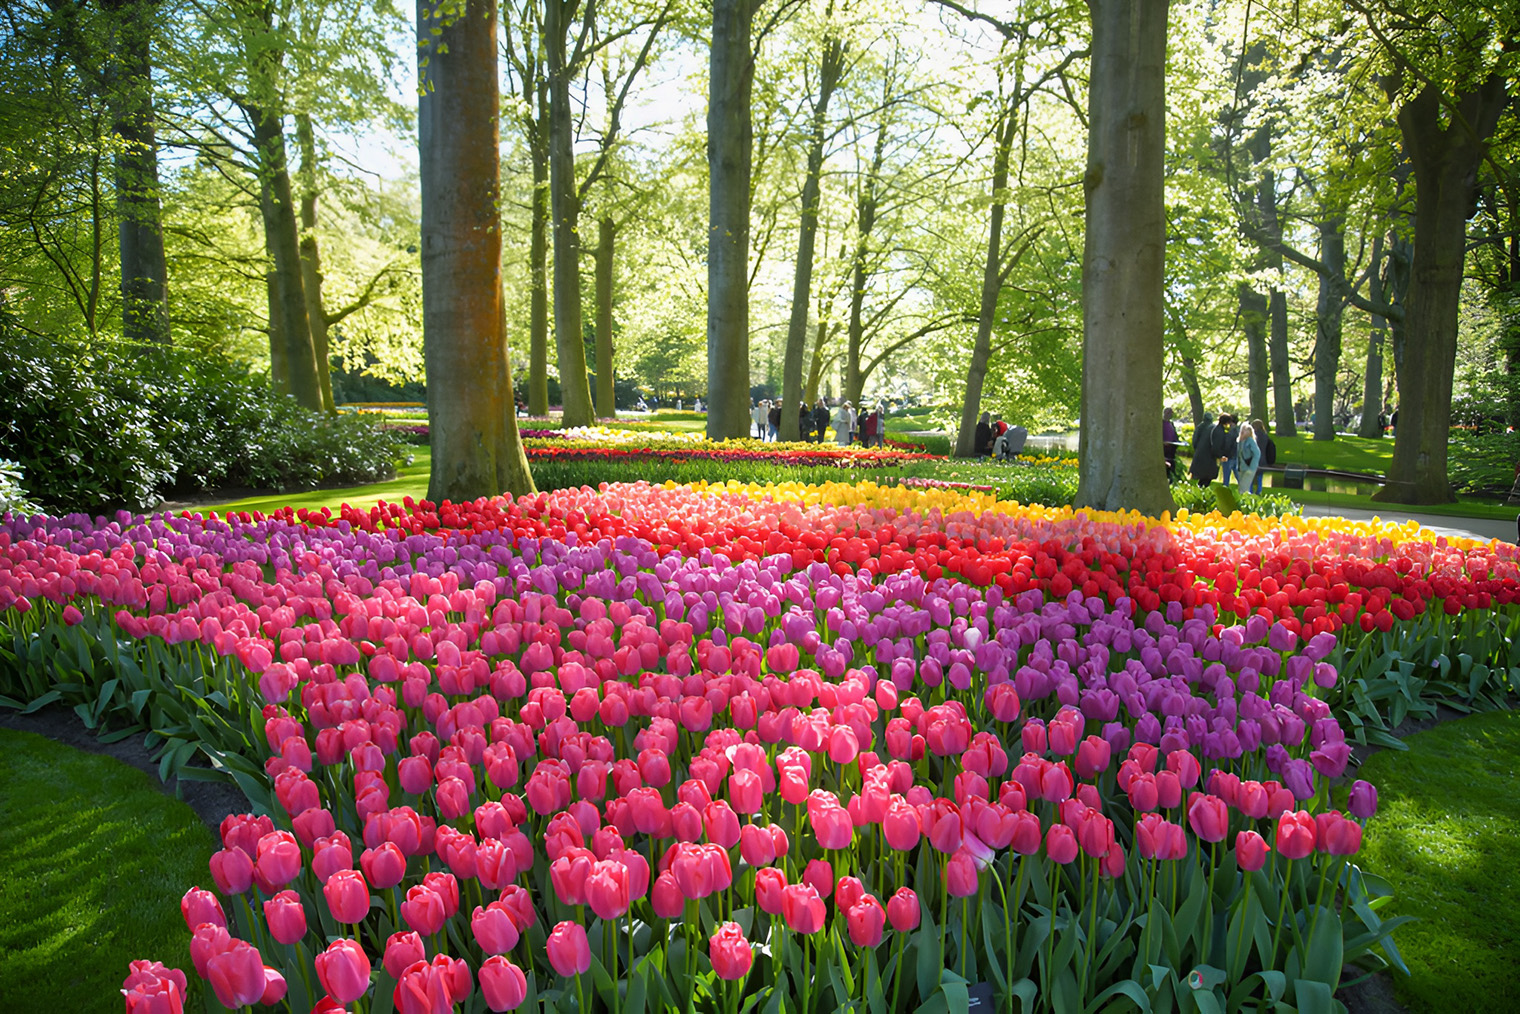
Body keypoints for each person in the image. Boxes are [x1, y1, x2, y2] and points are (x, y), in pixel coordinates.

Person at [1190, 412, 1220, 488]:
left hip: (1200, 454)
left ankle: (1199, 488)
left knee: (1199, 475)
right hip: (1210, 455)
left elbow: (1194, 441)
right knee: (1207, 476)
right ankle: (1203, 488)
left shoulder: (1199, 427)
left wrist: (1197, 449)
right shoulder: (1214, 428)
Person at [1250, 418, 1275, 494]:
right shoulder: (1265, 436)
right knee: (1259, 477)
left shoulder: (1252, 436)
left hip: (1253, 459)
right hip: (1263, 459)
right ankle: (1259, 490)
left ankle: (1250, 491)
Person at [1236, 422, 1261, 494]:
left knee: (1243, 488)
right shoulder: (1239, 441)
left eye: (1245, 429)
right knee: (1241, 487)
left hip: (1249, 468)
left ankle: (1244, 503)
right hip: (1241, 468)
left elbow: (1257, 453)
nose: (1243, 431)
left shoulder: (1250, 441)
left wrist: (1252, 467)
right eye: (1242, 429)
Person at [1217, 414, 1239, 486]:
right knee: (1238, 476)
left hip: (1229, 457)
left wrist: (1223, 455)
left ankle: (1225, 491)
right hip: (1237, 456)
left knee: (1226, 478)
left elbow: (1227, 445)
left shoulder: (1230, 433)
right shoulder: (1240, 431)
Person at [1162, 407, 1179, 479]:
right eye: (1169, 413)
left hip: (1171, 449)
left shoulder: (1171, 424)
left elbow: (1174, 436)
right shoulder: (1160, 424)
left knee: (1172, 466)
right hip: (1164, 449)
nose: (1171, 415)